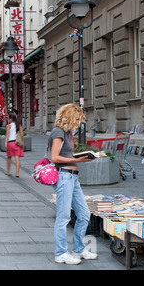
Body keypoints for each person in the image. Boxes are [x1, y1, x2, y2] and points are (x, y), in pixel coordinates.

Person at [48, 103, 97, 265]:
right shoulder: (58, 132)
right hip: (64, 177)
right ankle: (61, 253)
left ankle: (78, 248)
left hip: (72, 177)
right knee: (63, 217)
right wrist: (76, 159)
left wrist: (82, 157)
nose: (78, 125)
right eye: (77, 120)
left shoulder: (67, 133)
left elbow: (65, 154)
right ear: (69, 117)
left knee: (84, 214)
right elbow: (54, 157)